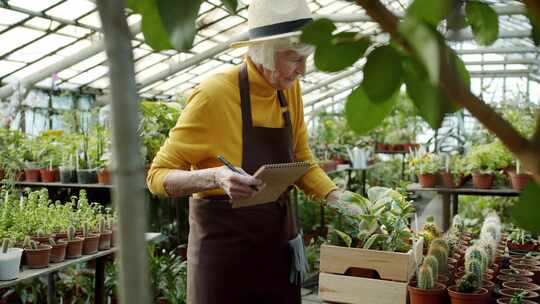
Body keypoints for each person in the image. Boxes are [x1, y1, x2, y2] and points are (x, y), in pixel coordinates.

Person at [147, 0, 360, 302]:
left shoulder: (289, 90)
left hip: (277, 248)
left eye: (306, 58)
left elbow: (301, 159)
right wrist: (216, 177)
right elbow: (157, 177)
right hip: (224, 256)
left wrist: (337, 197)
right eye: (294, 58)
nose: (303, 69)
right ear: (263, 51)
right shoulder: (214, 95)